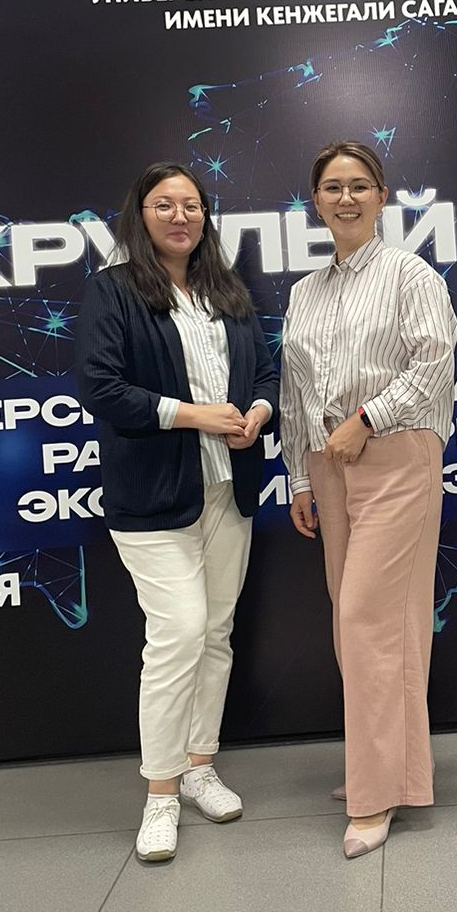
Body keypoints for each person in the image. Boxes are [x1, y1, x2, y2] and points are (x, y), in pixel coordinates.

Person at [75, 161, 278, 863]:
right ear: (141, 214)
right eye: (164, 204)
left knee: (215, 633)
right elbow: (100, 386)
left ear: (205, 215)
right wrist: (192, 415)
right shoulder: (114, 290)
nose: (180, 216)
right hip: (152, 494)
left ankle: (199, 766)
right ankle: (160, 794)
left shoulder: (227, 289)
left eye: (191, 204)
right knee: (179, 633)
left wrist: (257, 412)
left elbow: (264, 373)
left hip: (228, 487)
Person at [281, 141, 457, 858]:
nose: (346, 197)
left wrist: (366, 420)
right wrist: (300, 476)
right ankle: (381, 763)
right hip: (328, 465)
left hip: (395, 455)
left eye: (359, 185)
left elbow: (434, 364)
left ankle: (377, 792)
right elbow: (295, 393)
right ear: (315, 202)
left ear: (383, 197)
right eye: (332, 187)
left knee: (370, 620)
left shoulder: (411, 275)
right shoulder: (304, 292)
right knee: (354, 626)